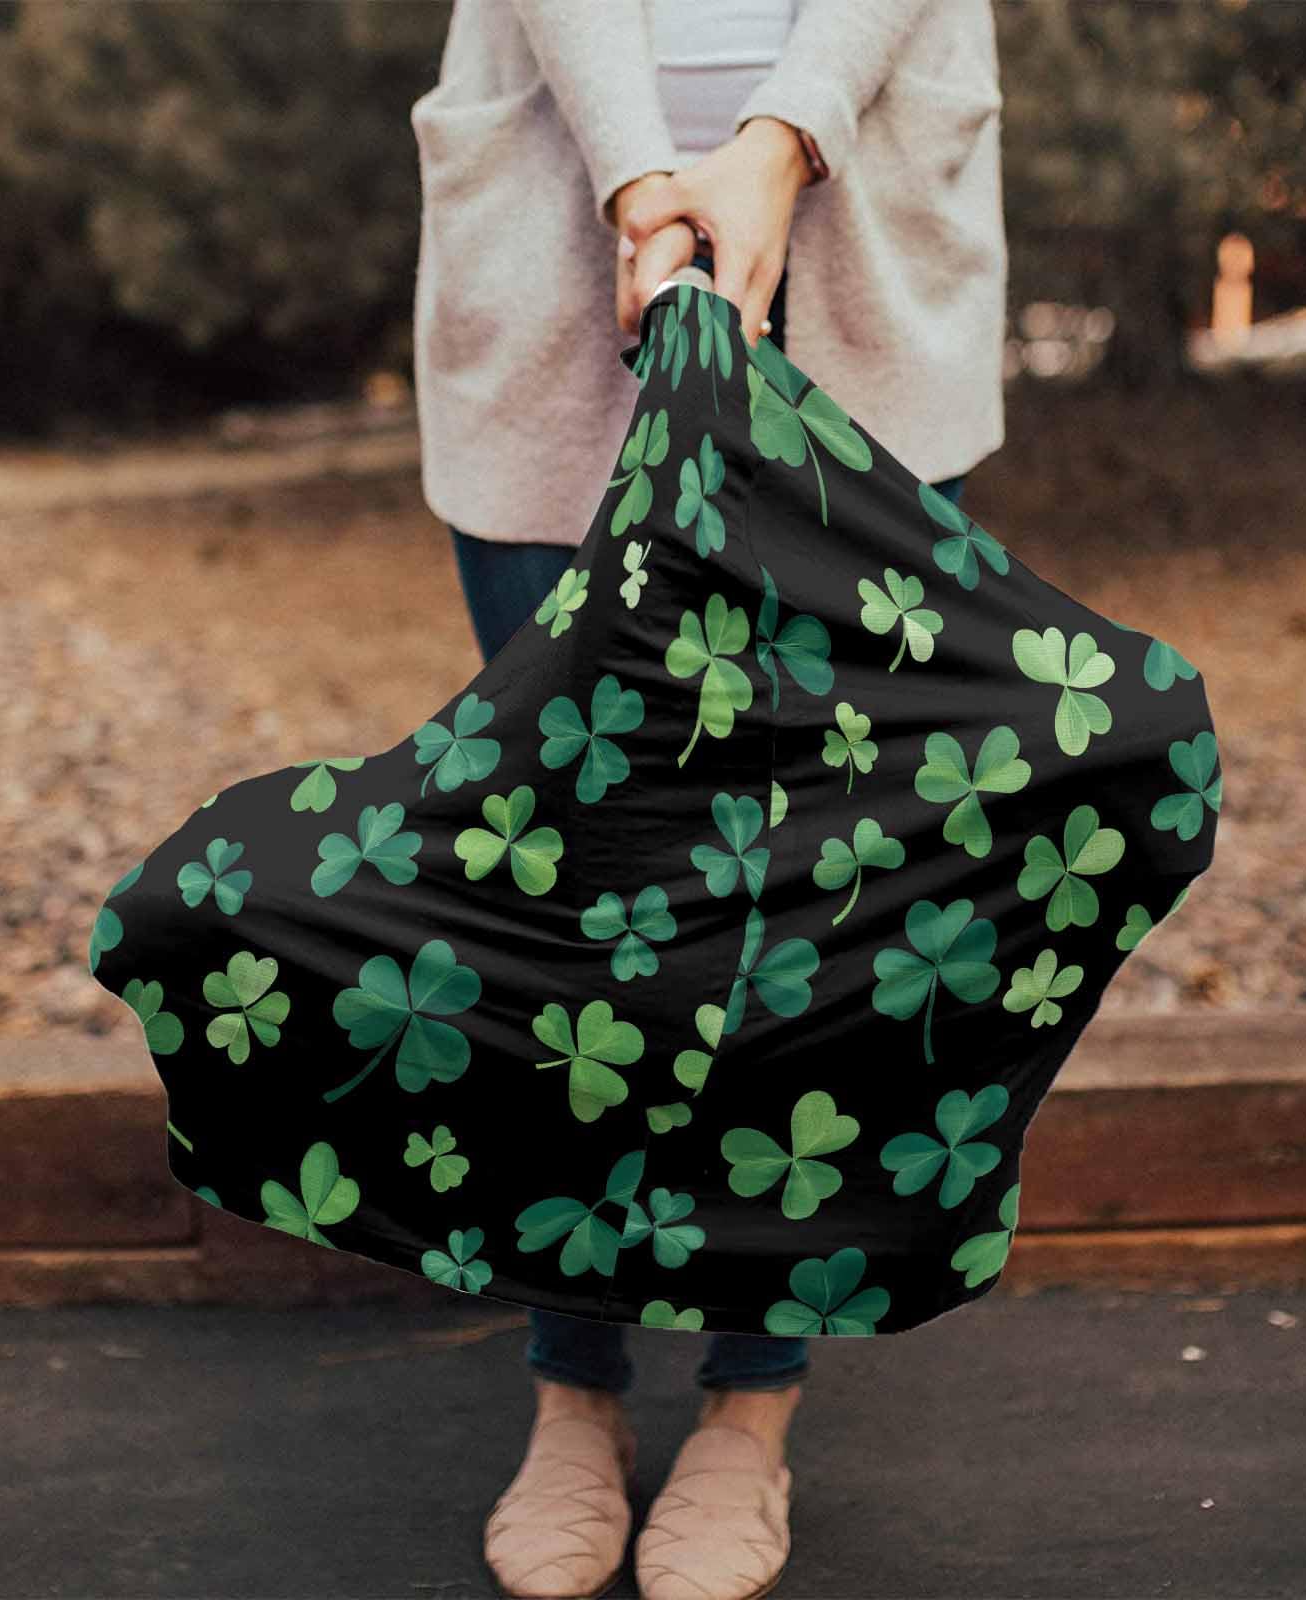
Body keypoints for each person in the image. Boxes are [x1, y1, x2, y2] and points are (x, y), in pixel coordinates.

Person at [409, 4, 1006, 1596]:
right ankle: (573, 1389)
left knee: (811, 893)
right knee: (566, 883)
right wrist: (636, 176)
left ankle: (751, 1408)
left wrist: (781, 136)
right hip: (560, 227)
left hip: (860, 230)